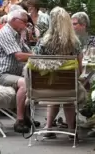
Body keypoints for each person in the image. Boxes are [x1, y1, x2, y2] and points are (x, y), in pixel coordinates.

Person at [33, 7, 86, 139]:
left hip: (47, 88)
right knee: (67, 88)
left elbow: (36, 65)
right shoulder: (74, 43)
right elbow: (79, 70)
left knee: (56, 87)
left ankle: (48, 127)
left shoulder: (43, 43)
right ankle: (71, 129)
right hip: (69, 88)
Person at [0, 9, 33, 133]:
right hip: (0, 74)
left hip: (12, 73)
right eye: (25, 22)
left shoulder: (16, 33)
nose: (26, 25)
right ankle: (19, 120)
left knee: (32, 77)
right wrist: (37, 57)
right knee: (24, 83)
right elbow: (19, 56)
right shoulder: (5, 33)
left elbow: (28, 52)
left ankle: (27, 116)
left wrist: (26, 38)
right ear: (14, 20)